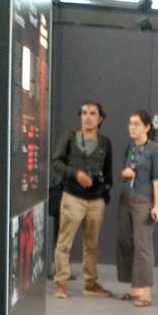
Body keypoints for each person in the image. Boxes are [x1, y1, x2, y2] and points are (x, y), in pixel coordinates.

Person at [51, 101, 113, 299]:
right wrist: (75, 173)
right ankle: (61, 283)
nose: (88, 116)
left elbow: (108, 171)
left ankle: (91, 284)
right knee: (64, 243)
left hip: (96, 201)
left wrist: (104, 195)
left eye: (93, 113)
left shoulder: (105, 142)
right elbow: (56, 163)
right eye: (84, 113)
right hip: (73, 198)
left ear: (100, 118)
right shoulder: (69, 137)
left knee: (92, 245)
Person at [116, 110, 158, 307]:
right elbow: (124, 174)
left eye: (136, 124)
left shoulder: (155, 150)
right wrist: (124, 174)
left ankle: (145, 292)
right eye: (130, 123)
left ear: (147, 127)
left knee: (142, 244)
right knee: (126, 242)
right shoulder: (130, 148)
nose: (132, 127)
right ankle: (134, 289)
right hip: (125, 198)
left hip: (143, 200)